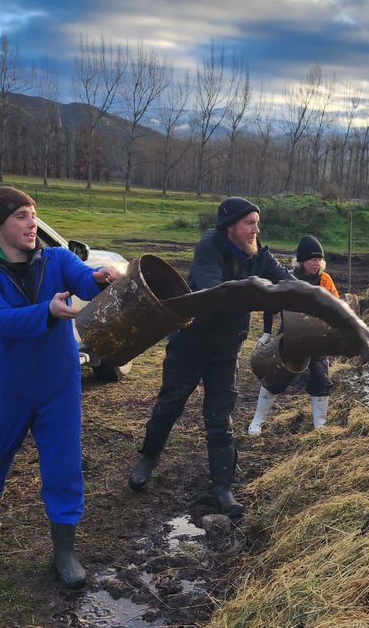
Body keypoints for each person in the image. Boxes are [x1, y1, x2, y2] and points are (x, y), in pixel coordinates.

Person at [0, 186, 118, 588]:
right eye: (21, 216)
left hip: (58, 383)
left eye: (33, 214)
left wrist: (101, 278)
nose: (31, 223)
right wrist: (49, 311)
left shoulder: (56, 258)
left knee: (63, 463)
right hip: (9, 385)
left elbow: (85, 282)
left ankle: (64, 552)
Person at [128, 196, 293, 516]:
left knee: (220, 418)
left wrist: (312, 298)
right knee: (168, 407)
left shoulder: (259, 254)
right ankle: (147, 459)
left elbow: (287, 281)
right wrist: (260, 291)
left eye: (257, 223)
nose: (256, 230)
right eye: (249, 223)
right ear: (230, 226)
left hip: (225, 350)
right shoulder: (209, 247)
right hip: (190, 343)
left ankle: (222, 488)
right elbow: (214, 293)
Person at [248, 234, 340, 436]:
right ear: (301, 260)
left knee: (321, 379)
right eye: (312, 259)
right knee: (276, 377)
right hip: (290, 334)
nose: (316, 263)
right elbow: (270, 306)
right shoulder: (288, 278)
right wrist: (265, 334)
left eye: (319, 259)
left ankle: (320, 427)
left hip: (318, 337)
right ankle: (257, 421)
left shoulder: (325, 280)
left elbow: (336, 306)